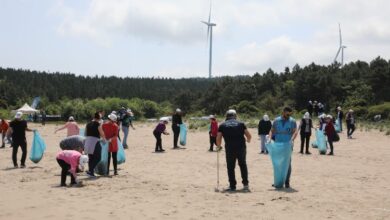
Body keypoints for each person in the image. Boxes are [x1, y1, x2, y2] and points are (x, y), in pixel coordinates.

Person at [216, 109, 252, 192]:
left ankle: (232, 186)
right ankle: (245, 185)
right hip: (241, 147)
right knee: (243, 165)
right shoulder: (241, 124)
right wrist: (248, 141)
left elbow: (218, 138)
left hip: (230, 148)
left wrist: (219, 146)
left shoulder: (222, 125)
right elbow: (249, 136)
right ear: (235, 115)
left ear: (226, 116)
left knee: (230, 167)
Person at [269, 107, 297, 188]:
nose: (288, 115)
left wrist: (292, 140)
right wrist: (269, 138)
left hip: (287, 145)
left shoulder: (292, 121)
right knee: (278, 163)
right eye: (287, 113)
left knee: (287, 163)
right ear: (283, 112)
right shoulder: (276, 120)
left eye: (290, 114)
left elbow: (295, 132)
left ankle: (287, 182)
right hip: (277, 145)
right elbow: (272, 130)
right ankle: (278, 181)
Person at [84, 112, 106, 177]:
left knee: (91, 157)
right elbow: (102, 134)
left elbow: (85, 134)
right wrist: (104, 140)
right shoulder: (98, 124)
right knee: (98, 157)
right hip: (95, 142)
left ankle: (91, 172)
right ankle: (90, 171)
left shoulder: (88, 124)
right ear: (99, 118)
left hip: (88, 141)